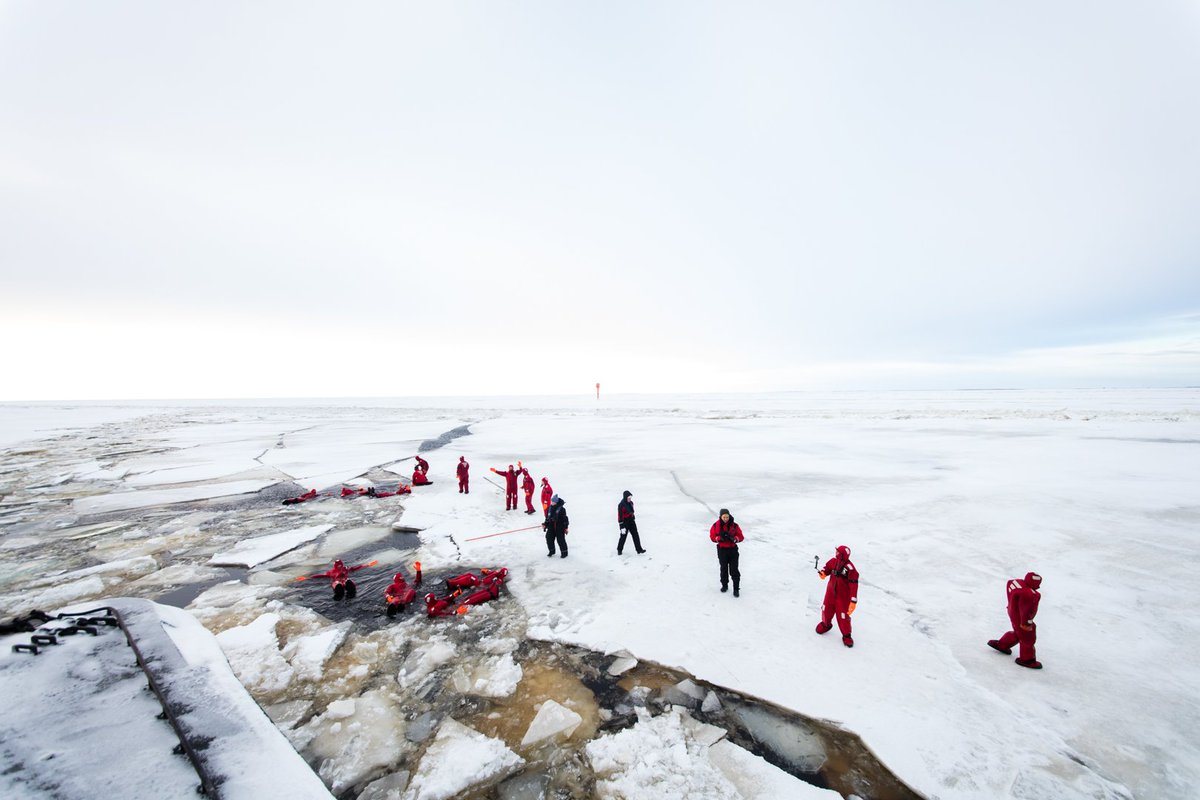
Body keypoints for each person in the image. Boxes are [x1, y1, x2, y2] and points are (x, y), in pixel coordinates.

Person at [988, 572, 1043, 669]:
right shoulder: (1030, 595)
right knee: (1027, 638)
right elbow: (1026, 611)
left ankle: (1002, 644)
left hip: (1012, 611)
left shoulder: (1014, 583)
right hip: (1021, 618)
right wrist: (1027, 623)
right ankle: (1027, 659)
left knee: (1018, 632)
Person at [815, 546, 859, 647]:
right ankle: (826, 624)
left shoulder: (850, 569)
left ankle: (846, 635)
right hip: (830, 593)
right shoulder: (833, 561)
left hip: (843, 597)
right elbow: (827, 568)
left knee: (843, 616)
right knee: (826, 609)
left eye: (838, 552)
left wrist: (853, 601)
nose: (836, 553)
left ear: (843, 555)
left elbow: (854, 585)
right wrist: (823, 573)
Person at [709, 509, 743, 596]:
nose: (725, 519)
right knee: (724, 568)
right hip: (722, 550)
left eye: (727, 517)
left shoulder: (735, 525)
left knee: (734, 569)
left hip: (733, 550)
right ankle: (724, 586)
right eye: (724, 517)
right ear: (720, 516)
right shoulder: (715, 525)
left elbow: (741, 536)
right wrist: (719, 538)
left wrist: (735, 538)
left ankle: (736, 589)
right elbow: (712, 536)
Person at [304, 559, 372, 599]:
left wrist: (367, 565)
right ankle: (339, 590)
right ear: (335, 566)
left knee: (347, 581)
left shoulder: (345, 568)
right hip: (336, 581)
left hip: (344, 579)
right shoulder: (331, 572)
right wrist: (307, 578)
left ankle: (348, 587)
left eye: (340, 565)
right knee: (338, 584)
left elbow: (355, 568)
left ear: (342, 565)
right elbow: (320, 575)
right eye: (338, 565)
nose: (339, 567)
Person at [617, 490, 646, 555]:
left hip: (631, 521)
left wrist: (633, 517)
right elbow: (620, 516)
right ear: (625, 497)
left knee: (635, 534)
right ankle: (619, 549)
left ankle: (639, 549)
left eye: (630, 498)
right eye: (628, 498)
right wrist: (621, 526)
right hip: (624, 522)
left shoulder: (631, 503)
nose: (630, 499)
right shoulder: (621, 505)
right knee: (623, 536)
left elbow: (632, 512)